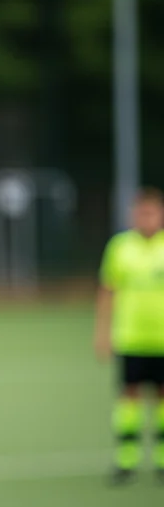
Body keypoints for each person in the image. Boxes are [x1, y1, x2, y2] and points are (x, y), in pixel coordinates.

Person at [95, 187, 164, 484]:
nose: (147, 218)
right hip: (130, 337)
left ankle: (162, 460)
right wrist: (102, 332)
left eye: (153, 211)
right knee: (129, 395)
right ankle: (127, 459)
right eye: (142, 212)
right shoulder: (120, 247)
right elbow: (108, 291)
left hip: (162, 339)